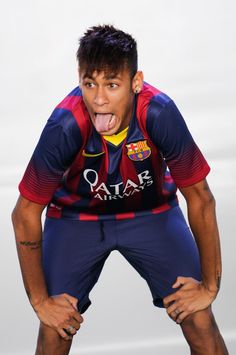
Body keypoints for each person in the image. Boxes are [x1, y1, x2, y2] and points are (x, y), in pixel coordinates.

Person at [12, 24, 228, 355]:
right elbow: (24, 212)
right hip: (76, 218)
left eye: (112, 85)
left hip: (151, 213)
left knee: (198, 315)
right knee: (56, 326)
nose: (99, 99)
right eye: (89, 84)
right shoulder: (65, 124)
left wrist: (210, 287)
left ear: (135, 82)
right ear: (79, 79)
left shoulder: (159, 112)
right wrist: (40, 302)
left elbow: (201, 199)